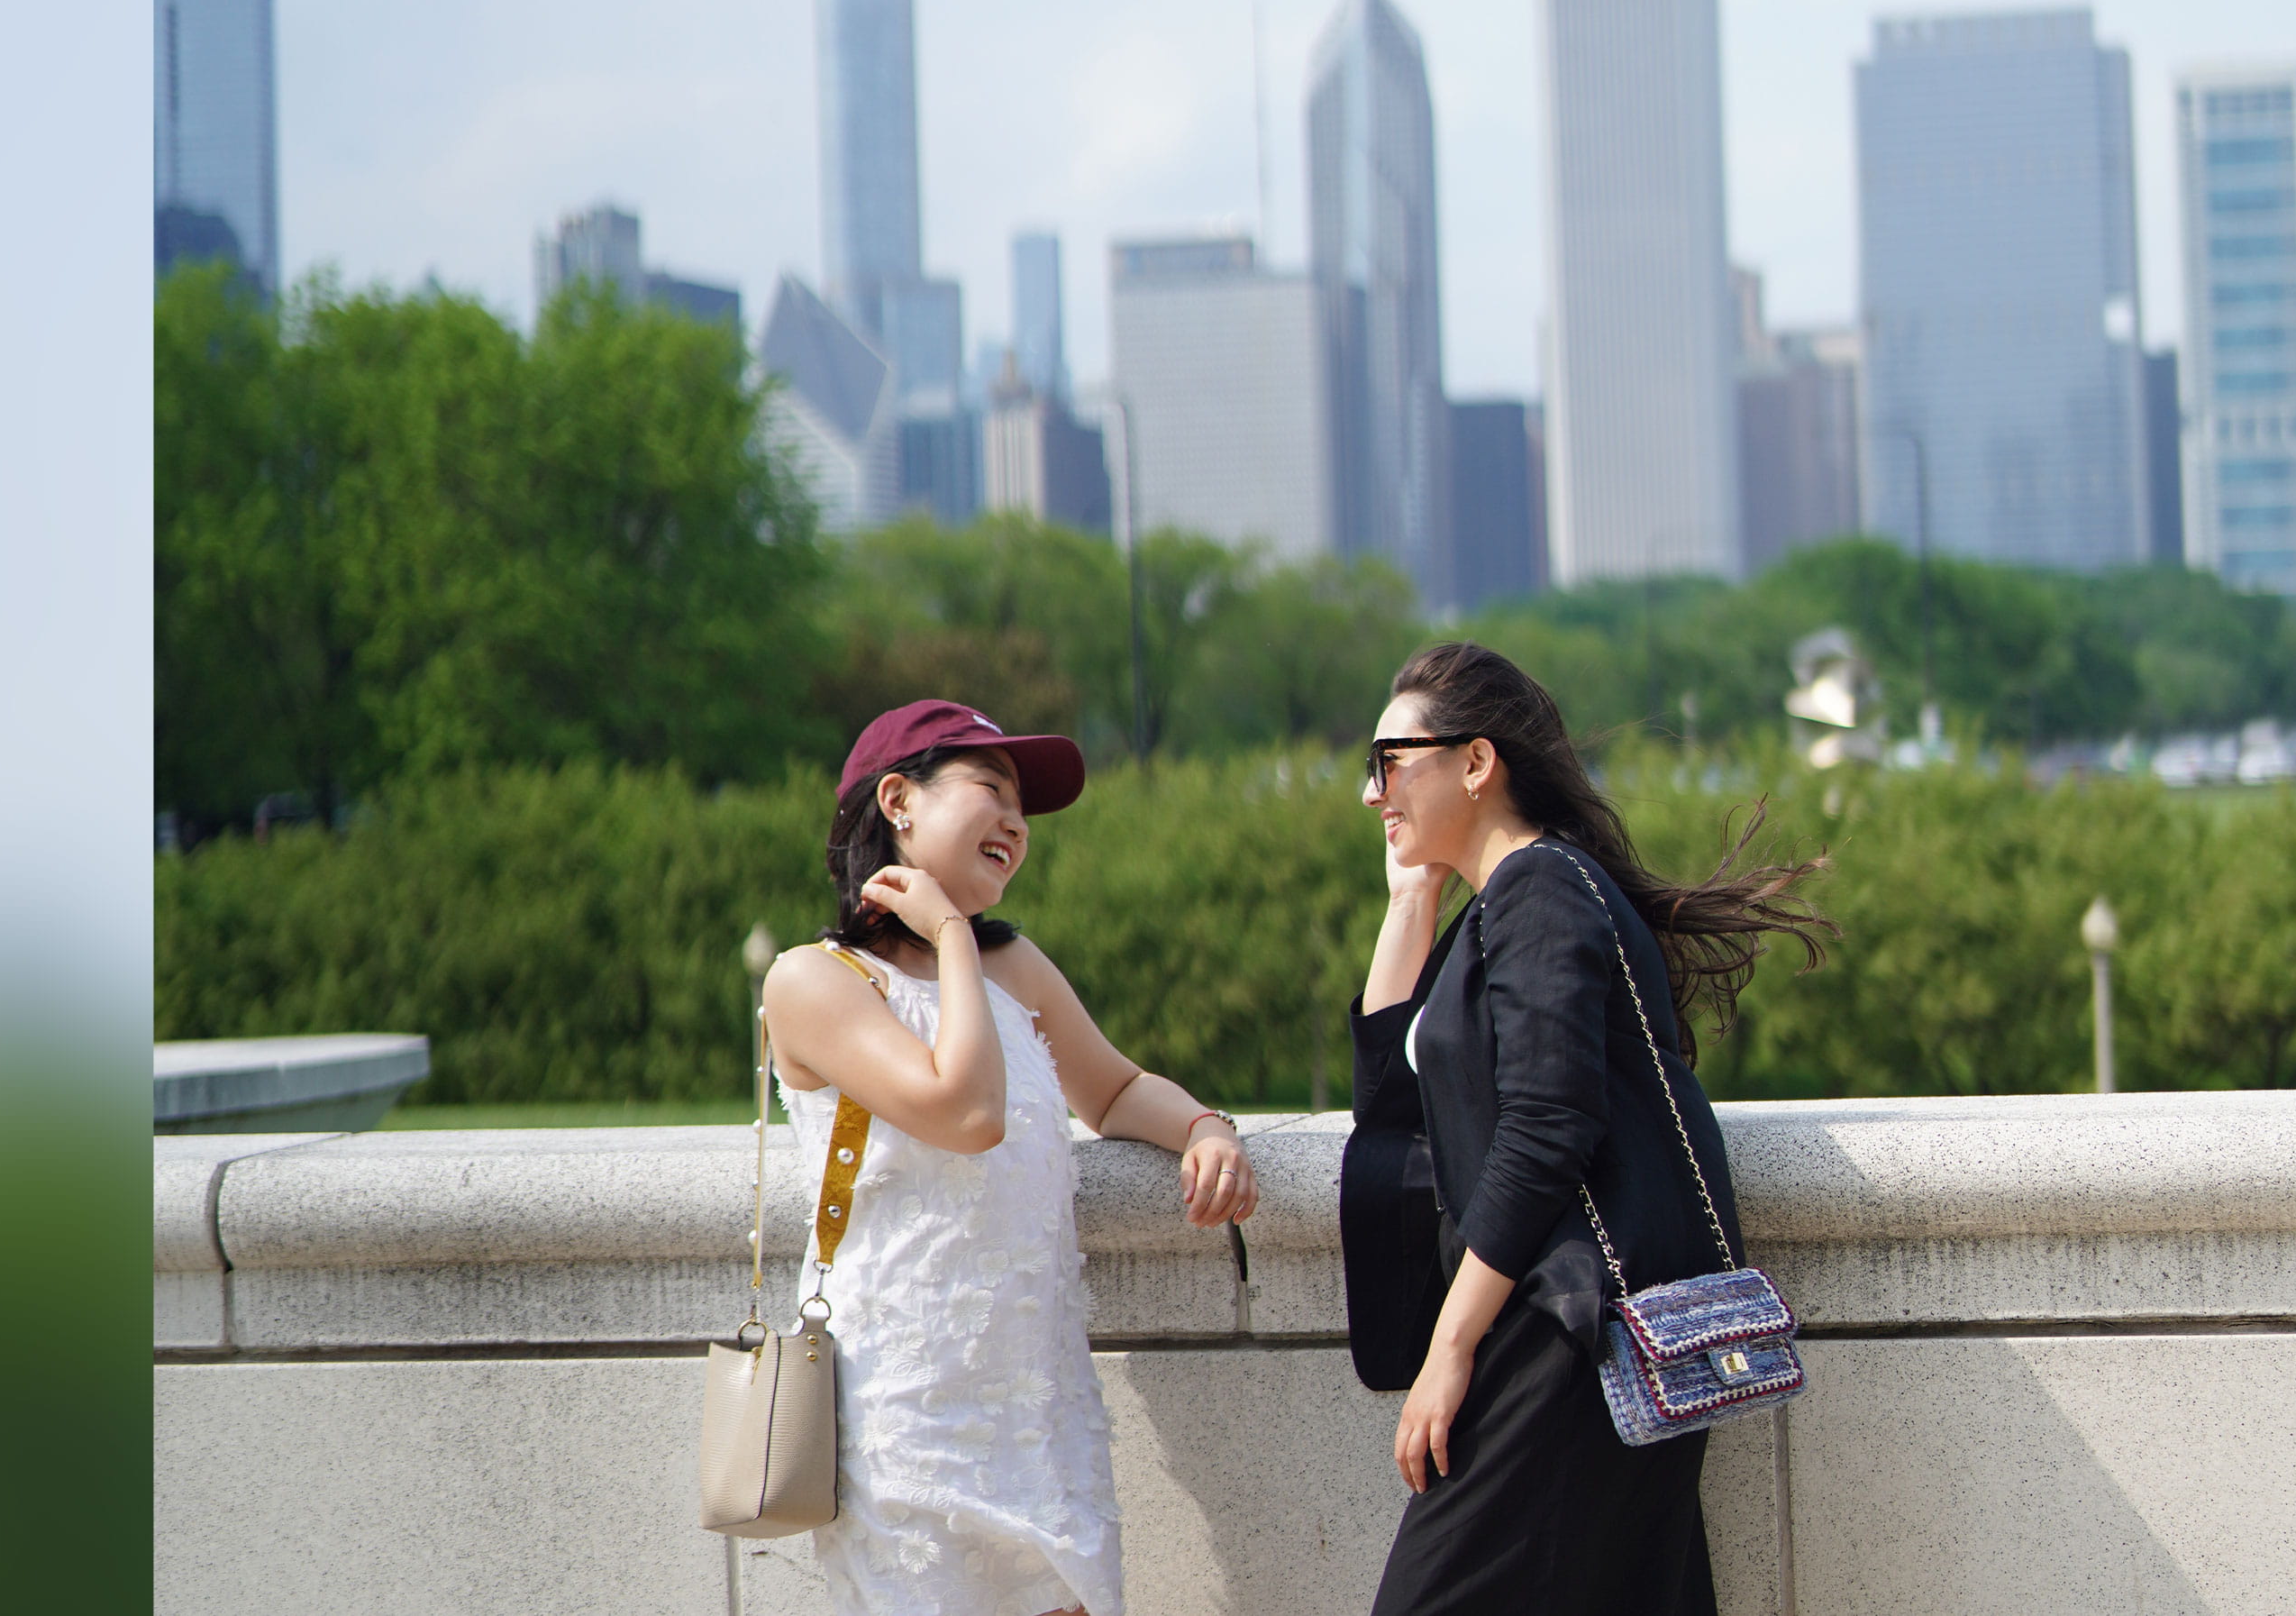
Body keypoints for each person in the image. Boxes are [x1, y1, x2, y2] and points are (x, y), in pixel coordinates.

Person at [1338, 644, 1836, 1616]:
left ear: (1475, 763)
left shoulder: (1538, 891)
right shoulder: (1496, 910)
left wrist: (1449, 1349)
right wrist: (1410, 893)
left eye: (1388, 760)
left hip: (1566, 1339)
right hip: (1560, 1334)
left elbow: (1545, 1129)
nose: (1370, 792)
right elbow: (1390, 1101)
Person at [759, 699, 1260, 1616]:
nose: (1018, 824)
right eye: (991, 789)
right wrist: (950, 934)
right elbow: (967, 1109)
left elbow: (1108, 1091)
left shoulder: (1015, 966)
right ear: (898, 800)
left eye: (1022, 807)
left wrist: (1204, 1128)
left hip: (1037, 1415)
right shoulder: (811, 981)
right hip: (904, 1422)